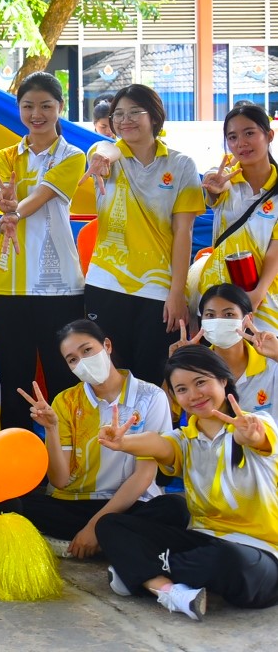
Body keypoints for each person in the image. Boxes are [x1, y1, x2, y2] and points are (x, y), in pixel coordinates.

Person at [95, 345, 278, 618]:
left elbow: (257, 437)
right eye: (181, 389)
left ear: (223, 379)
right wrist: (123, 442)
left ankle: (137, 571)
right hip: (202, 541)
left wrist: (250, 436)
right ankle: (167, 589)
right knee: (110, 524)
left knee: (231, 562)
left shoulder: (257, 422)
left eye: (200, 382)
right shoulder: (184, 439)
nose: (194, 395)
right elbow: (158, 443)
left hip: (260, 551)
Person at [2, 319, 182, 559]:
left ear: (107, 345)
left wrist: (93, 527)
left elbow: (144, 475)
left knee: (175, 508)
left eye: (87, 350)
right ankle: (115, 542)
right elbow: (60, 480)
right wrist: (52, 429)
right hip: (75, 503)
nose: (82, 362)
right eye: (72, 359)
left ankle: (91, 540)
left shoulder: (151, 396)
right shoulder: (65, 402)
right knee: (10, 503)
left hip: (129, 504)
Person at [84, 83, 204, 384]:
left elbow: (184, 232)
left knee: (152, 379)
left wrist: (176, 292)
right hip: (105, 284)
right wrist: (103, 157)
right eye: (118, 114)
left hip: (157, 291)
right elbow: (104, 149)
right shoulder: (102, 157)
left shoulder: (181, 165)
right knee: (107, 379)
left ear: (154, 116)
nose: (125, 120)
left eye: (135, 112)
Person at [0, 72, 86, 431]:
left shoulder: (73, 156)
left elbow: (42, 195)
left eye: (46, 106)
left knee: (64, 374)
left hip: (59, 285)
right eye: (28, 106)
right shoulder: (5, 156)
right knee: (16, 378)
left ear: (61, 107)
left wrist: (14, 210)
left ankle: (70, 451)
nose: (36, 114)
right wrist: (4, 201)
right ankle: (18, 451)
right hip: (9, 284)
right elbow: (1, 194)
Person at [200, 103, 278, 330]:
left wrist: (257, 294)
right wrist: (215, 186)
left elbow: (275, 251)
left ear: (269, 135)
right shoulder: (224, 181)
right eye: (232, 137)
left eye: (249, 133)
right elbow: (214, 185)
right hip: (218, 298)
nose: (241, 143)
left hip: (265, 301)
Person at [192, 284, 278, 414]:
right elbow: (168, 412)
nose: (218, 321)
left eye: (228, 314)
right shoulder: (194, 365)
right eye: (210, 315)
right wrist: (176, 363)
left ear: (248, 319)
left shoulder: (272, 363)